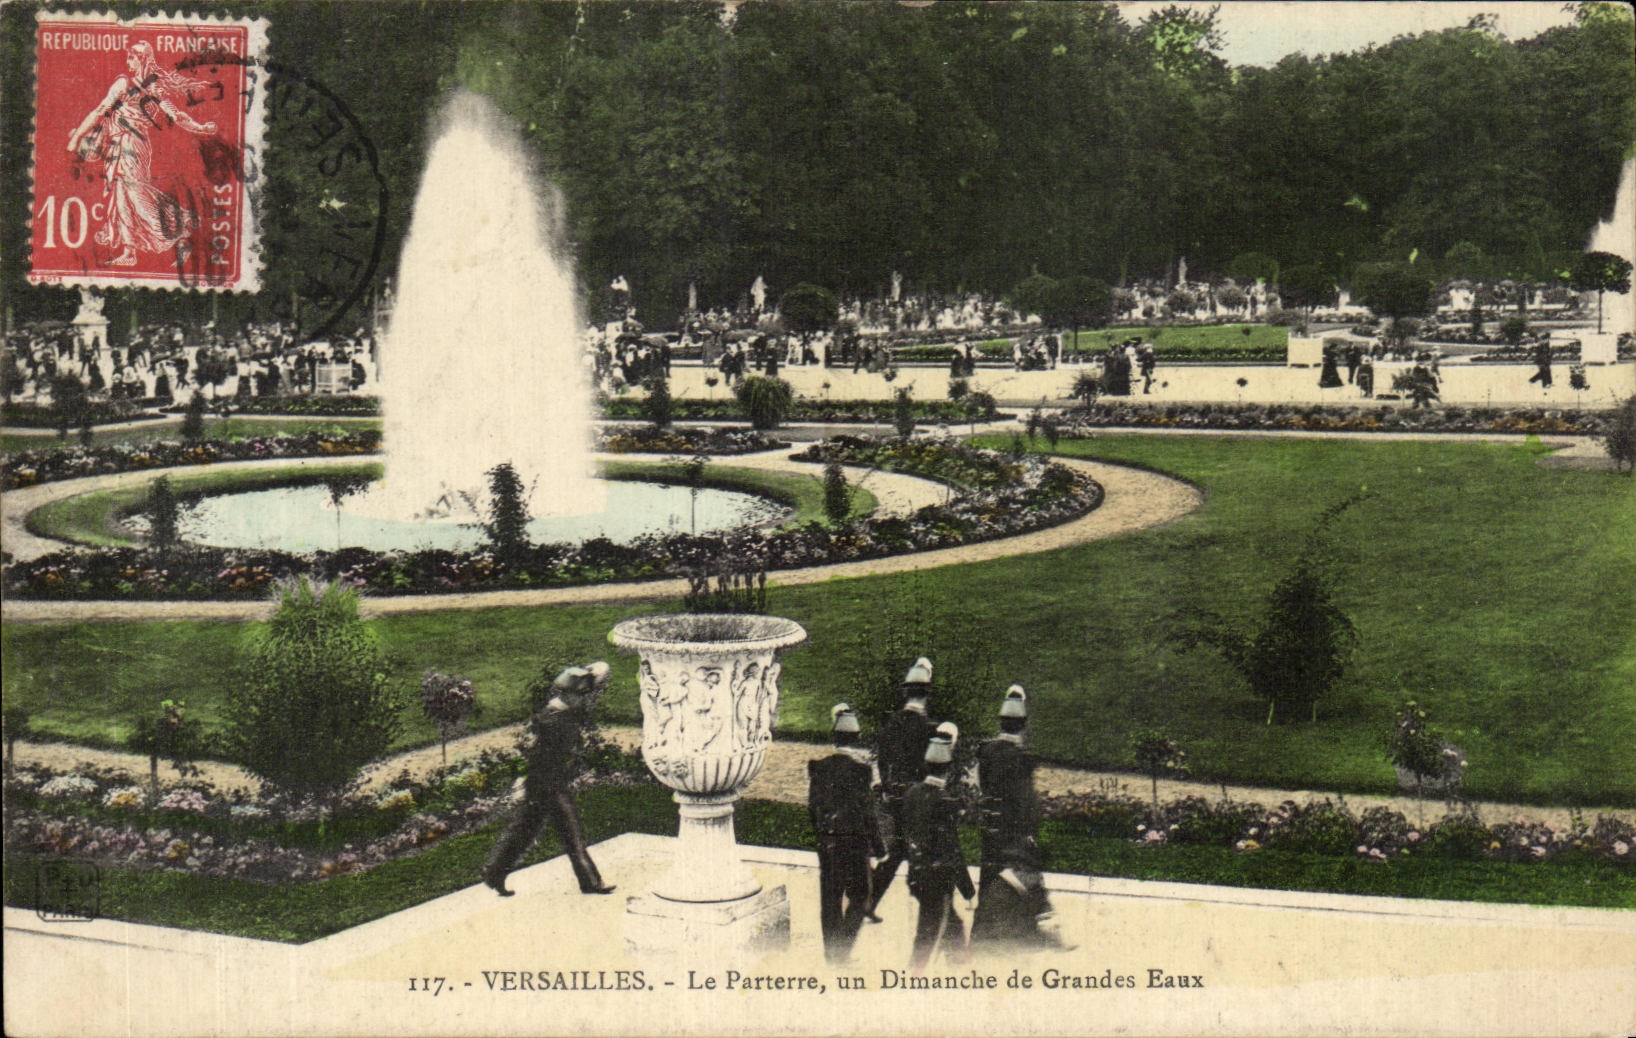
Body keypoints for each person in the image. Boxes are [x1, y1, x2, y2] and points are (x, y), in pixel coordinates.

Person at [67, 42, 218, 267]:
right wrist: (77, 137)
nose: (128, 63)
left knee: (136, 195)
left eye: (132, 58)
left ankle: (179, 235)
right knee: (121, 198)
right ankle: (129, 252)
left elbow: (176, 116)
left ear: (142, 60)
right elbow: (101, 111)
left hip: (133, 144)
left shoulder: (140, 86)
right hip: (119, 144)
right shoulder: (136, 85)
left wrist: (201, 128)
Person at [482, 662, 617, 897]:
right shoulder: (552, 719)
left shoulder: (567, 709)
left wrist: (587, 672)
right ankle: (590, 882)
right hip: (546, 785)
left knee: (524, 832)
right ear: (567, 693)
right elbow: (539, 759)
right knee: (570, 833)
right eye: (580, 695)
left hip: (551, 783)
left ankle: (494, 873)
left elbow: (603, 670)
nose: (584, 699)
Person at [971, 686, 1056, 947]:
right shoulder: (1020, 759)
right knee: (1020, 886)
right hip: (1013, 832)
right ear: (1023, 725)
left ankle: (980, 938)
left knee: (989, 883)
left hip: (991, 829)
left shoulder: (988, 752)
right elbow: (1025, 804)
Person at [807, 704, 885, 964]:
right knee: (861, 897)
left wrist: (820, 834)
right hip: (853, 843)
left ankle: (832, 955)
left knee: (830, 899)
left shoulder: (818, 767)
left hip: (827, 840)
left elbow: (813, 807)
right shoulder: (861, 771)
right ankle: (841, 952)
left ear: (835, 737)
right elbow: (867, 813)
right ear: (857, 738)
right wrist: (879, 847)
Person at [903, 722, 975, 970]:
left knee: (952, 932)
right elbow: (951, 850)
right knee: (927, 940)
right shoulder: (945, 802)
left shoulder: (912, 794)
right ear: (948, 769)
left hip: (917, 874)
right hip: (938, 881)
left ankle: (959, 971)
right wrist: (968, 890)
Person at [868, 657, 936, 916]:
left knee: (896, 853)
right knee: (922, 853)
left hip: (892, 795)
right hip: (914, 799)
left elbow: (883, 759)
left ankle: (867, 903)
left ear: (905, 692)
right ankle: (939, 914)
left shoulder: (892, 723)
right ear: (927, 693)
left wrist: (886, 787)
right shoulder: (926, 728)